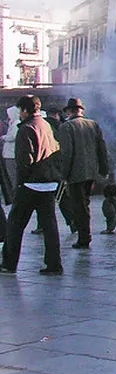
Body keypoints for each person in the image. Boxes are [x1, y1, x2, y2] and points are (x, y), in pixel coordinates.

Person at [1, 95, 63, 274]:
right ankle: (54, 264)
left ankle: (9, 263)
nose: (20, 114)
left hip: (31, 184)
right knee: (49, 226)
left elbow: (25, 160)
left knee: (15, 224)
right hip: (48, 183)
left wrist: (20, 183)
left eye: (20, 110)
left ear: (25, 110)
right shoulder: (46, 125)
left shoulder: (26, 128)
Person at [55, 96, 109, 249]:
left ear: (69, 112)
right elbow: (101, 148)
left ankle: (84, 238)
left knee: (79, 206)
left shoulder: (66, 127)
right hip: (91, 171)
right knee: (84, 204)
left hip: (75, 173)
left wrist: (63, 174)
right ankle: (84, 235)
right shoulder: (93, 124)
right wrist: (103, 168)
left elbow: (67, 153)